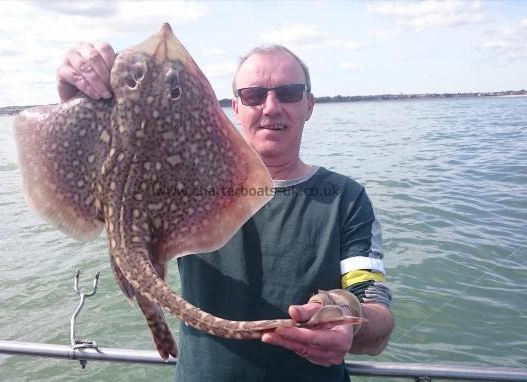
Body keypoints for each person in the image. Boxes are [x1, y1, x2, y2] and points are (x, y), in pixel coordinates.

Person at [57, 40, 394, 381]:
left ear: (309, 104)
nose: (271, 107)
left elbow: (376, 315)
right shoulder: (185, 187)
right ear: (235, 106)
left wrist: (347, 313)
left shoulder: (346, 199)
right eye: (254, 95)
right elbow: (106, 174)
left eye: (289, 93)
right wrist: (80, 97)